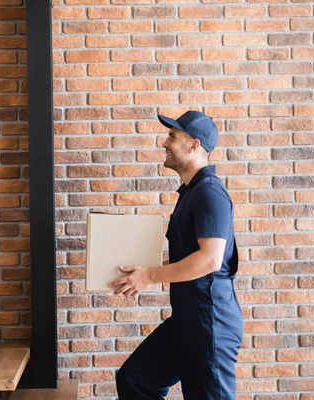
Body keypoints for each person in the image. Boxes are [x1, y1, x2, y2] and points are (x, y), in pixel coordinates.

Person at [110, 110, 244, 400]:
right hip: (187, 320)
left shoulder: (210, 193)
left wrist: (150, 276)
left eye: (172, 136)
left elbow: (210, 259)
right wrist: (142, 271)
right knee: (135, 380)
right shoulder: (191, 193)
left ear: (193, 145)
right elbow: (192, 256)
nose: (164, 142)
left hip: (210, 325)